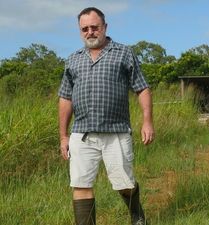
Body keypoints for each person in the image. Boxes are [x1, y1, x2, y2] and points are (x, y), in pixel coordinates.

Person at [58, 7, 154, 225]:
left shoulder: (124, 53)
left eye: (95, 27)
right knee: (81, 184)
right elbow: (65, 98)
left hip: (117, 132)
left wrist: (147, 121)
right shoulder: (72, 60)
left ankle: (136, 212)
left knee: (124, 184)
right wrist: (63, 136)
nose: (90, 32)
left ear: (105, 27)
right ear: (80, 30)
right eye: (85, 29)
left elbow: (142, 88)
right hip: (81, 133)